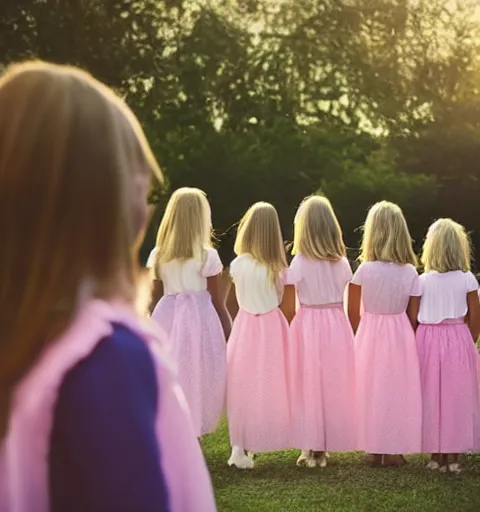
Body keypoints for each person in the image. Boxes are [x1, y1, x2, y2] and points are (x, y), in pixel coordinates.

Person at [0, 61, 216, 511]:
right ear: (105, 195)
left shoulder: (26, 340)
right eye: (139, 175)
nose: (149, 196)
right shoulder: (106, 354)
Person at [147, 188, 230, 437]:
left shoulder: (158, 256)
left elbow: (153, 299)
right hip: (199, 323)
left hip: (166, 320)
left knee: (171, 375)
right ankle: (193, 432)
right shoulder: (208, 256)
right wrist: (229, 331)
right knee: (198, 375)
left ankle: (174, 429)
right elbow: (218, 302)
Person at [347, 201, 422, 467]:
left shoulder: (364, 270)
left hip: (369, 331)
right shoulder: (411, 272)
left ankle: (373, 447)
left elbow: (352, 311)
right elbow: (414, 316)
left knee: (371, 388)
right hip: (400, 332)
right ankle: (393, 449)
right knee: (396, 389)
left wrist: (359, 334)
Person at [286, 196, 356, 468]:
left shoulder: (300, 263)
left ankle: (311, 446)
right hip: (336, 323)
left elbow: (290, 306)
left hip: (308, 323)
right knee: (330, 384)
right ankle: (322, 447)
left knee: (309, 384)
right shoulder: (342, 263)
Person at [416, 219, 480, 474]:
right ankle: (450, 456)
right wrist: (467, 342)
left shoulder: (422, 280)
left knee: (433, 395)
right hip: (456, 337)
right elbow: (476, 318)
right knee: (455, 397)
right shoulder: (466, 279)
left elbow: (414, 316)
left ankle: (439, 456)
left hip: (429, 338)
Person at [227, 202, 291, 469]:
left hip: (244, 326)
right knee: (267, 384)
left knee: (241, 384)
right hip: (271, 327)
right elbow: (278, 298)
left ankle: (238, 446)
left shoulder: (237, 264)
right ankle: (252, 442)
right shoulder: (277, 268)